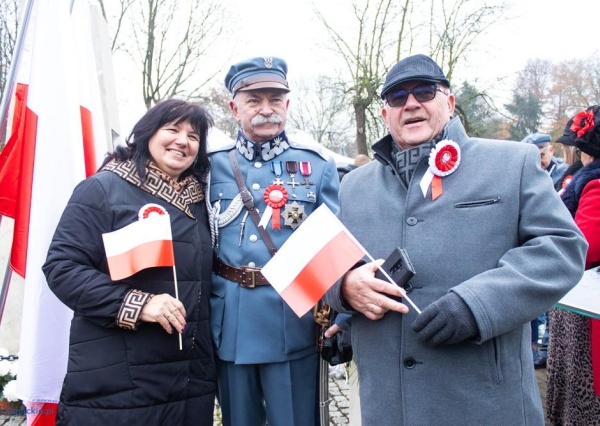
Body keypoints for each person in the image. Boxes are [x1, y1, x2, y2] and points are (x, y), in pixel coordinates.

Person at [324, 54, 587, 425]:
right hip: (388, 402)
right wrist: (346, 289)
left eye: (424, 91)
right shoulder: (353, 186)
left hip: (480, 399)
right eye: (397, 97)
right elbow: (329, 268)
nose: (411, 103)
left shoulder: (513, 163)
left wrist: (476, 305)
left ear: (448, 102)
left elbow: (562, 248)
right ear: (385, 115)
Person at [42, 99, 217, 425]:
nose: (183, 140)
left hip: (189, 384)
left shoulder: (201, 204)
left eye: (194, 136)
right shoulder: (103, 189)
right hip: (118, 386)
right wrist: (137, 304)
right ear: (147, 132)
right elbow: (62, 268)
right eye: (173, 129)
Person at [207, 56, 339, 426]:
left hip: (291, 319)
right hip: (229, 319)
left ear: (287, 104)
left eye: (275, 99)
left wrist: (339, 315)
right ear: (234, 107)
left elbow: (334, 245)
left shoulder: (316, 165)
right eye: (254, 100)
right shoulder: (210, 165)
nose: (266, 109)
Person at [546, 105, 600, 425]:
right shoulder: (581, 179)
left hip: (583, 301)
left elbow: (586, 245)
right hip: (576, 294)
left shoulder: (593, 183)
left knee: (581, 383)